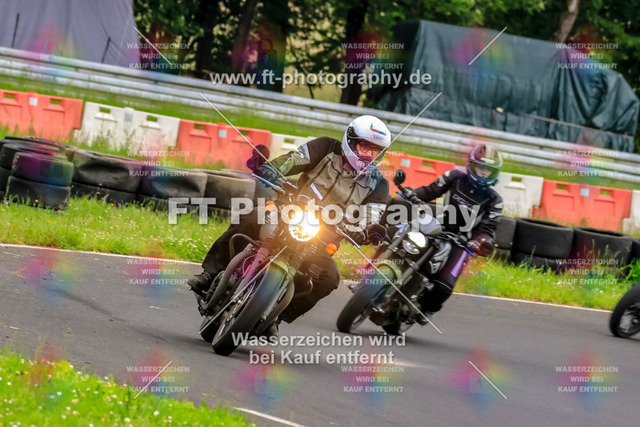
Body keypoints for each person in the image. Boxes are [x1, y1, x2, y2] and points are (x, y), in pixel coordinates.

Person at [188, 115, 392, 335]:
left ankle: (274, 317)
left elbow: (372, 215)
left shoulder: (379, 183)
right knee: (250, 217)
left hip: (324, 236)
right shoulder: (326, 147)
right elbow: (293, 160)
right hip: (289, 211)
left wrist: (369, 230)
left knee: (329, 278)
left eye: (375, 151)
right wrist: (272, 169)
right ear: (350, 141)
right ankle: (210, 274)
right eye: (364, 147)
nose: (368, 154)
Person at [404, 144, 504, 323]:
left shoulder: (494, 201)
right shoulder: (454, 177)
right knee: (402, 240)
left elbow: (488, 229)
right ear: (472, 166)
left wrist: (481, 242)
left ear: (494, 173)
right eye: (480, 167)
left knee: (444, 285)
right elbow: (431, 191)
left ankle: (427, 308)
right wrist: (413, 194)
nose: (483, 172)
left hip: (463, 243)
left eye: (487, 170)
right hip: (437, 228)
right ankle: (371, 274)